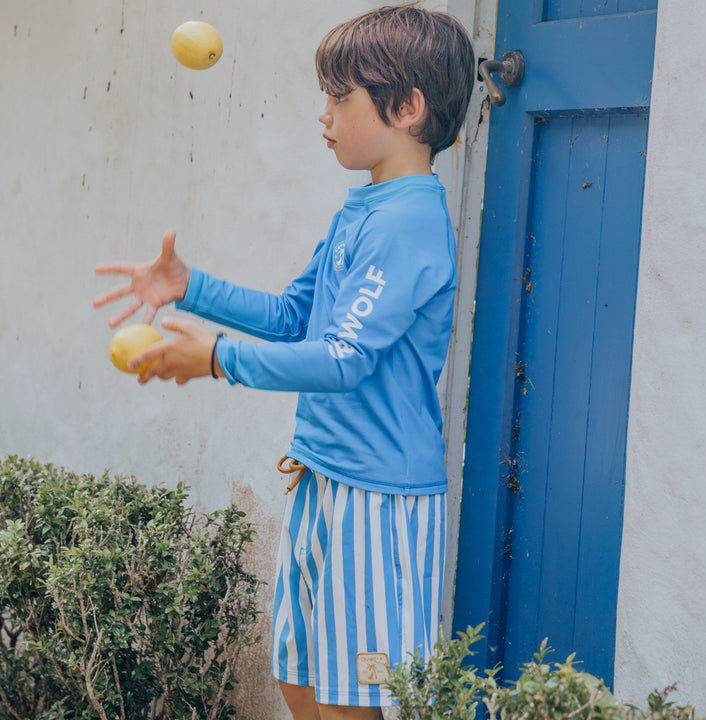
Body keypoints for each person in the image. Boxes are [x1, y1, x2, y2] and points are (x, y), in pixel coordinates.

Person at [93, 6, 475, 719]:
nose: (323, 114)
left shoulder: (410, 222)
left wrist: (216, 360)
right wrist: (190, 287)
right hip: (322, 475)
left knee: (356, 702)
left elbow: (343, 359)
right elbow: (298, 318)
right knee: (301, 682)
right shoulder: (363, 209)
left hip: (378, 499)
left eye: (340, 97)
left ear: (407, 107)